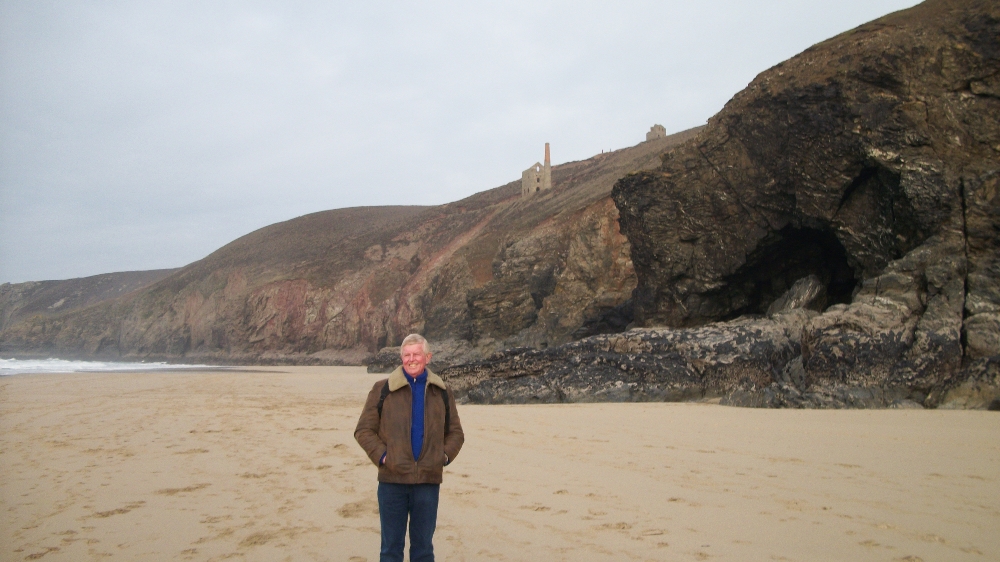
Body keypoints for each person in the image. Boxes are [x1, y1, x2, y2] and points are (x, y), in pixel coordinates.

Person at [354, 334, 464, 562]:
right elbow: (363, 430)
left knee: (423, 550)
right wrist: (384, 456)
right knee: (390, 550)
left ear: (428, 357)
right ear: (401, 357)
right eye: (407, 355)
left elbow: (456, 433)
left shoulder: (441, 391)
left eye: (416, 354)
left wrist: (442, 456)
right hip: (392, 482)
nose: (411, 359)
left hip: (427, 482)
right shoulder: (382, 389)